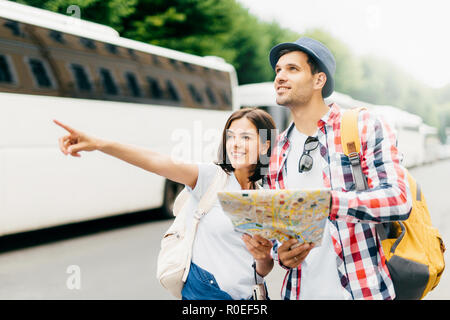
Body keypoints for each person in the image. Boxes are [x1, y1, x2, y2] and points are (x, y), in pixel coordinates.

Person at [247, 37, 413, 300]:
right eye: (278, 70)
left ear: (318, 80)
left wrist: (328, 202)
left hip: (363, 291)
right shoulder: (276, 151)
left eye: (292, 69)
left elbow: (399, 200)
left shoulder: (362, 125)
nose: (279, 76)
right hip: (299, 292)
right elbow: (279, 230)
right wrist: (282, 254)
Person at [54, 107, 276, 300]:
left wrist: (263, 257)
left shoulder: (264, 199)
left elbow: (262, 269)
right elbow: (157, 161)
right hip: (206, 293)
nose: (235, 144)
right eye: (231, 136)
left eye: (246, 137)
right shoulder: (211, 177)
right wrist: (99, 144)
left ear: (265, 146)